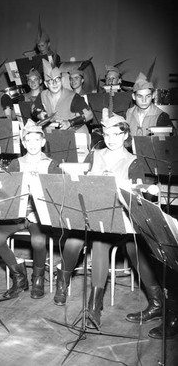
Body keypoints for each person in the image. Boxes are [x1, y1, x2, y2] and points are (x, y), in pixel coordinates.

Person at [53, 108, 144, 328]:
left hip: (117, 219)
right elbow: (79, 179)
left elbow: (138, 196)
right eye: (107, 135)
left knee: (100, 243)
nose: (111, 140)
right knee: (74, 240)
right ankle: (62, 280)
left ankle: (94, 306)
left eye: (117, 134)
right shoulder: (95, 154)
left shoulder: (134, 161)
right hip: (90, 213)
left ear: (125, 135)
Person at [0, 120, 61, 299]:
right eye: (28, 141)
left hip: (40, 217)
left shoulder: (51, 165)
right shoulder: (16, 163)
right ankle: (19, 276)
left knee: (38, 241)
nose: (32, 145)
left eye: (36, 140)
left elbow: (58, 194)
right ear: (23, 143)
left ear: (43, 142)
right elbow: (8, 192)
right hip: (19, 214)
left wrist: (39, 213)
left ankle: (38, 278)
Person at [32, 59, 93, 136]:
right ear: (46, 84)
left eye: (57, 80)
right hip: (56, 134)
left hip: (76, 134)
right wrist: (39, 114)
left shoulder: (73, 97)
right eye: (50, 81)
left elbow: (89, 115)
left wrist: (70, 122)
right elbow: (33, 109)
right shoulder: (42, 95)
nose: (54, 84)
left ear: (62, 80)